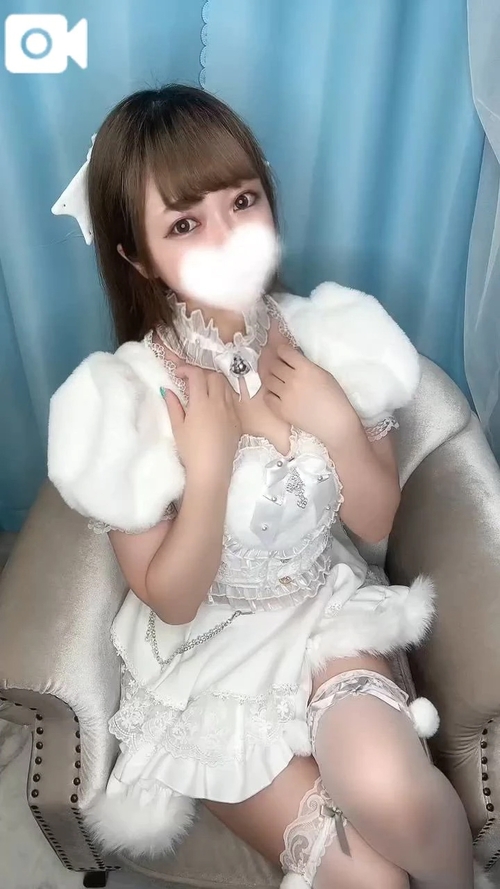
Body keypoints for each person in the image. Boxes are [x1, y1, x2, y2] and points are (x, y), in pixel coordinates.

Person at [48, 84, 487, 889]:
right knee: (375, 882)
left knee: (391, 791)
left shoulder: (333, 334)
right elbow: (173, 600)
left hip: (327, 611)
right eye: (185, 224)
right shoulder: (124, 399)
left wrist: (338, 423)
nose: (227, 238)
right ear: (137, 256)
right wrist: (210, 468)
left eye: (242, 201)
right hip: (208, 657)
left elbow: (376, 519)